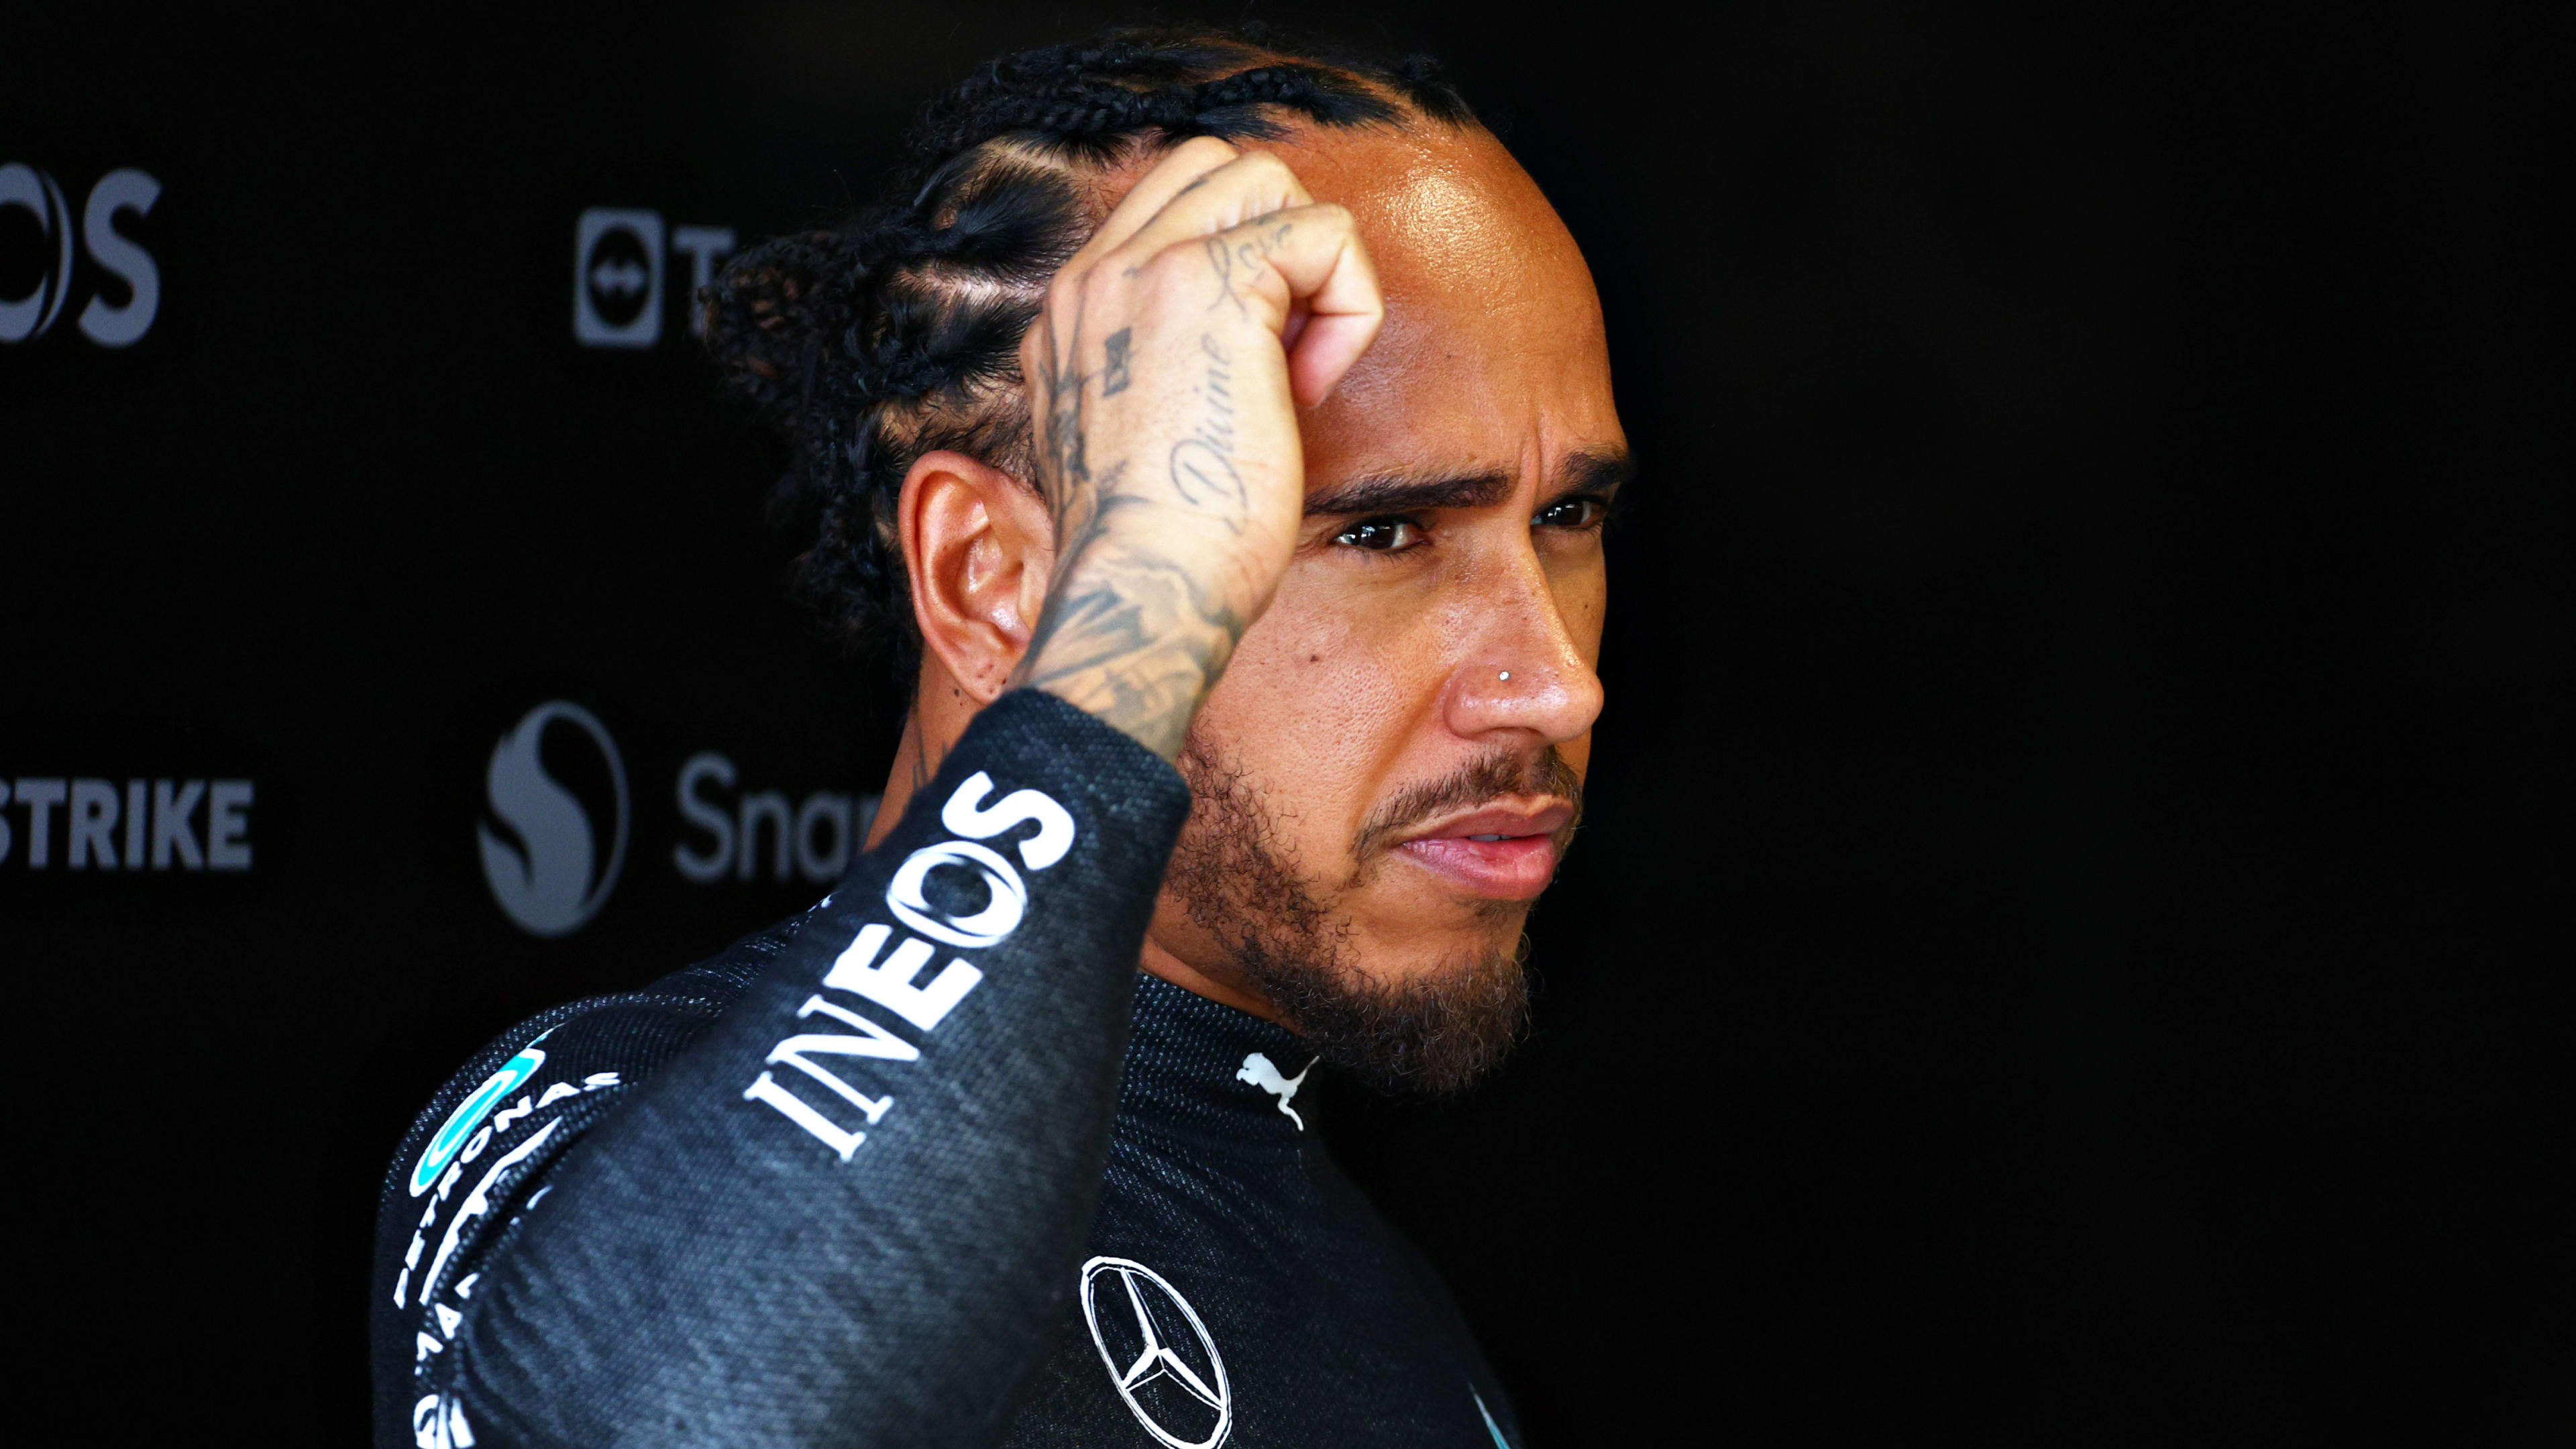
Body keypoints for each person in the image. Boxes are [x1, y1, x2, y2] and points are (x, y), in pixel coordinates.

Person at [374, 27, 1625, 1448]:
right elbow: (686, 1413)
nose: (1550, 684)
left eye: (1569, 518)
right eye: (1381, 531)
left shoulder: (1387, 1303)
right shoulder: (608, 1119)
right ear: (995, 585)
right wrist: (1148, 578)